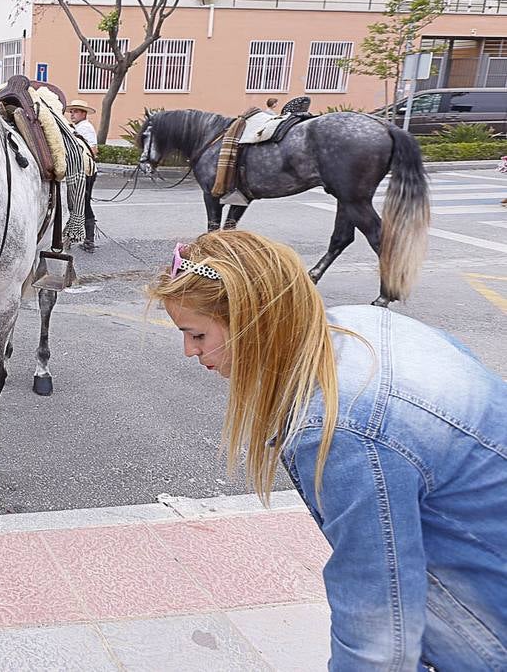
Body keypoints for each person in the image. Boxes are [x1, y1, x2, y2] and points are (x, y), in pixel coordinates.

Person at [149, 230, 507, 671]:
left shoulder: (340, 428)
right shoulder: (362, 325)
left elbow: (378, 636)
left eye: (197, 334)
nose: (189, 351)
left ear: (251, 319)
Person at [65, 99, 99, 252]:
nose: (72, 114)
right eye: (71, 111)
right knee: (79, 202)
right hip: (81, 170)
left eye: (76, 111)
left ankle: (89, 240)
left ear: (84, 114)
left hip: (86, 171)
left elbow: (93, 150)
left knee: (83, 202)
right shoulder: (78, 127)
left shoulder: (85, 128)